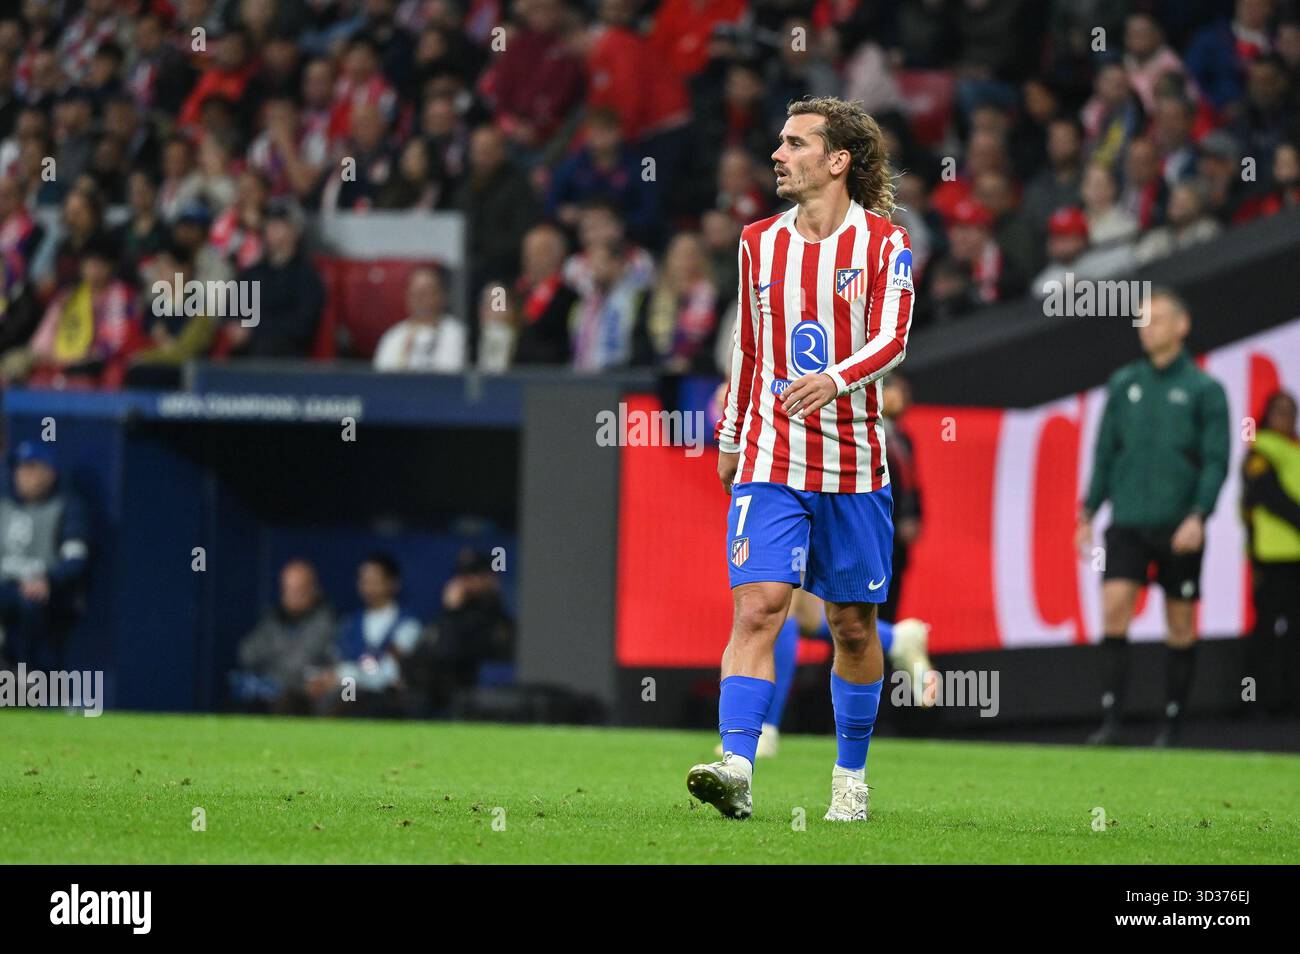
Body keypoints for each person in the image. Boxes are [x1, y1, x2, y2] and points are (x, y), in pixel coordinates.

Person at [687, 96, 914, 822]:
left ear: (837, 160)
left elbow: (894, 339)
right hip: (770, 453)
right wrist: (730, 439)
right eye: (779, 142)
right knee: (759, 608)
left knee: (850, 624)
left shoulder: (884, 245)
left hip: (853, 463)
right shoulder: (758, 241)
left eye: (794, 143)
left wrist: (838, 378)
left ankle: (850, 775)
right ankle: (736, 765)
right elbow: (750, 351)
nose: (778, 155)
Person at [1076, 289, 1229, 747]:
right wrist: (1087, 512)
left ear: (1182, 326)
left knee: (1180, 621)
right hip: (1128, 521)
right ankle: (1111, 721)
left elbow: (1216, 460)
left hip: (1179, 524)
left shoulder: (1205, 389)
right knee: (1113, 608)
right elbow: (1105, 453)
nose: (1147, 328)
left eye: (1157, 320)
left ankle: (1173, 724)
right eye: (1142, 320)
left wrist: (1200, 515)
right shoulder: (1125, 383)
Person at [0, 442, 89, 670]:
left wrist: (48, 579)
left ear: (50, 473)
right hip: (5, 586)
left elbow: (76, 559)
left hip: (42, 590)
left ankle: (27, 676)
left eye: (31, 468)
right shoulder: (4, 504)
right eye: (19, 468)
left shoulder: (67, 507)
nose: (22, 475)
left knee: (29, 602)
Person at [1240, 391, 1300, 716]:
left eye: (1291, 411)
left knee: (1296, 633)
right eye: (1279, 411)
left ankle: (1291, 700)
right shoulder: (1259, 449)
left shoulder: (1294, 448)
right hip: (1272, 555)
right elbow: (1269, 496)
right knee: (1265, 631)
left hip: (1298, 556)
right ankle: (1251, 700)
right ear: (1267, 415)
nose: (1286, 417)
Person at [317, 553, 423, 717]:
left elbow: (390, 672)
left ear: (392, 583)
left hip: (386, 693)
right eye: (364, 580)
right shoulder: (349, 624)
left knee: (358, 692)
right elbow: (338, 662)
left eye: (374, 580)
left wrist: (348, 674)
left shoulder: (408, 625)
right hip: (352, 690)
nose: (367, 586)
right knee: (342, 695)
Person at [232, 559, 337, 714]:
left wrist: (271, 665)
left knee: (287, 700)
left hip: (305, 698)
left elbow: (299, 666)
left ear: (313, 590)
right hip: (267, 693)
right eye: (288, 590)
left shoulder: (325, 623)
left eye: (298, 590)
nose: (292, 597)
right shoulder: (273, 619)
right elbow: (246, 654)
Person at [372, 266, 467, 372]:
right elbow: (382, 379)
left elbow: (449, 373)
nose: (420, 299)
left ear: (441, 296)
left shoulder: (454, 331)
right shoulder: (393, 336)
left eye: (426, 292)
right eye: (415, 293)